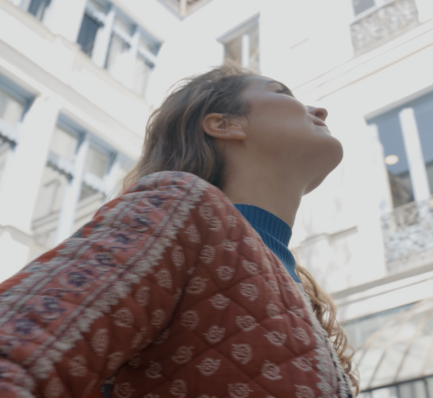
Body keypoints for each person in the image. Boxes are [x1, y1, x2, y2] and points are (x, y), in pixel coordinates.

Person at [0, 65, 358, 398]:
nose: (319, 111)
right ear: (224, 124)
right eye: (282, 92)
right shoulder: (181, 204)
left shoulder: (301, 293)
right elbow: (17, 350)